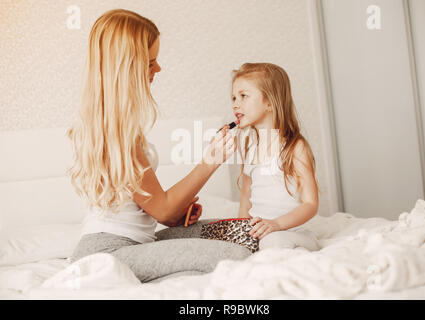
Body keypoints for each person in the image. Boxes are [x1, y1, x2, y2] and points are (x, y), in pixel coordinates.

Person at [67, 9, 250, 283]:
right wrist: (211, 160)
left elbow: (154, 208)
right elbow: (162, 207)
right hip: (108, 253)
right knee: (237, 255)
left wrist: (176, 216)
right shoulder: (113, 132)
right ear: (126, 68)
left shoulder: (119, 124)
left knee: (238, 231)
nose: (158, 69)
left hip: (136, 244)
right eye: (150, 62)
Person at [232, 62, 321, 251]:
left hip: (293, 232)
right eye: (233, 98)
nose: (236, 104)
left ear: (270, 102)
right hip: (261, 233)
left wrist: (277, 225)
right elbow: (245, 201)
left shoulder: (295, 147)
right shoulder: (250, 148)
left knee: (273, 242)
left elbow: (311, 204)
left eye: (243, 96)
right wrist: (240, 232)